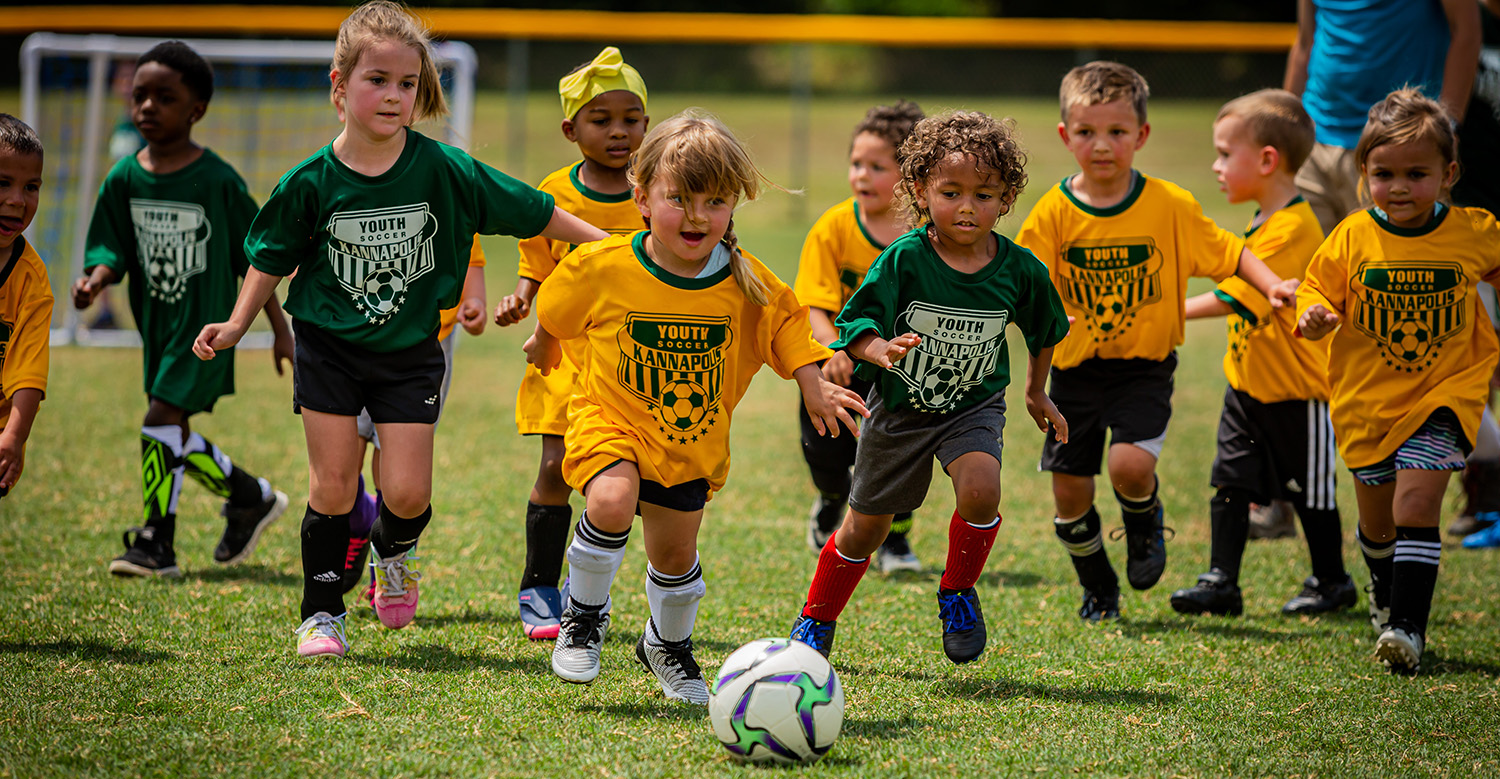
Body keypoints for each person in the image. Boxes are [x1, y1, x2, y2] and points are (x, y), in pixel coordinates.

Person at [191, 0, 607, 659]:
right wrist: (238, 322)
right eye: (376, 80)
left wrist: (613, 247)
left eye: (407, 83)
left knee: (408, 495)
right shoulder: (310, 181)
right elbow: (270, 257)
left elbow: (538, 211)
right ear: (339, 87)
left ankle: (392, 551)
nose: (392, 95)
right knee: (333, 485)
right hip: (327, 346)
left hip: (411, 350)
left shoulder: (444, 168)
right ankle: (321, 613)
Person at [527, 111, 866, 703]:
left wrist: (811, 381)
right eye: (678, 198)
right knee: (610, 498)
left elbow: (786, 328)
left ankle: (667, 644)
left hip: (690, 442)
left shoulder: (746, 282)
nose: (695, 216)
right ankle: (583, 618)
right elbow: (556, 305)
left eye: (714, 202)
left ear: (733, 206)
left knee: (675, 552)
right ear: (641, 198)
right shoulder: (603, 264)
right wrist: (546, 341)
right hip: (609, 419)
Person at [1016, 61, 1299, 621]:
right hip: (1072, 374)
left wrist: (1274, 286)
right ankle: (1098, 587)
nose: (1102, 146)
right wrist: (1043, 322)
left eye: (1117, 132)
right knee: (1070, 498)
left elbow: (1230, 253)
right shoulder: (1051, 213)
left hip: (1144, 368)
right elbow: (1025, 285)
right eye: (1087, 132)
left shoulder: (1168, 204)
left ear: (1141, 136)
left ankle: (1143, 520)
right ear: (1065, 136)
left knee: (1128, 467)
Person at [787, 111, 1070, 665]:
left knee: (983, 487)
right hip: (899, 409)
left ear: (1008, 197)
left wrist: (1037, 391)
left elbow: (1043, 328)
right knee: (865, 529)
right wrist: (876, 351)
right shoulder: (905, 259)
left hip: (974, 405)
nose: (968, 207)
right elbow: (855, 326)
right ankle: (816, 619)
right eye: (951, 192)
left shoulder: (1019, 270)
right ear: (919, 190)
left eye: (985, 194)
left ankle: (958, 591)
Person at [1298, 88, 1500, 674]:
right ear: (1363, 174)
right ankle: (1385, 592)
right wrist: (1314, 314)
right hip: (1368, 401)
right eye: (1384, 174)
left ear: (1449, 173)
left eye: (1418, 173)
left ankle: (1409, 628)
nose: (1401, 187)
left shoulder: (1475, 230)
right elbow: (1316, 289)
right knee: (1378, 521)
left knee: (1417, 503)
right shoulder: (1353, 236)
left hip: (1446, 393)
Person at [72, 41, 292, 579]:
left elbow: (257, 258)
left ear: (196, 109)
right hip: (157, 325)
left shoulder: (216, 180)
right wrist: (96, 280)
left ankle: (156, 542)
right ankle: (249, 496)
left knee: (159, 420)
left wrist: (279, 329)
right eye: (139, 95)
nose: (147, 107)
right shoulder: (124, 177)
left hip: (204, 330)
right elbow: (111, 247)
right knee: (171, 434)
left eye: (164, 98)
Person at [1168, 90, 1353, 617]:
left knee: (1309, 491)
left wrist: (1166, 310)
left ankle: (1332, 580)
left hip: (1298, 395)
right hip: (1247, 388)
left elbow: (1234, 298)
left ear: (1267, 160)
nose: (1216, 166)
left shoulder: (1294, 226)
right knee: (1230, 479)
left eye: (1226, 154)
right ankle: (1221, 581)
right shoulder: (1263, 219)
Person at [493, 46, 650, 640]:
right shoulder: (554, 190)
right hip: (560, 353)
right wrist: (521, 297)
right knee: (557, 465)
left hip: (630, 364)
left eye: (631, 119)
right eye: (600, 120)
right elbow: (539, 262)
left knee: (623, 484)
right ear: (570, 129)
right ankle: (539, 586)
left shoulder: (652, 190)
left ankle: (592, 593)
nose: (618, 132)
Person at [793, 100, 926, 573]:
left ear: (912, 177)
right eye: (856, 163)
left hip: (905, 374)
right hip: (839, 369)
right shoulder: (834, 227)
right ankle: (831, 500)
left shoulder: (928, 237)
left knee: (902, 458)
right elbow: (814, 305)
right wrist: (833, 349)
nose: (861, 175)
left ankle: (895, 544)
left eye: (876, 166)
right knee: (826, 448)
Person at [341, 236, 486, 597]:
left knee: (394, 453)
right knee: (344, 450)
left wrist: (475, 300)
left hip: (427, 338)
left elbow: (466, 245)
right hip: (351, 335)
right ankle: (358, 518)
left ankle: (388, 554)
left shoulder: (444, 185)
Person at [1284, 0, 1480, 235]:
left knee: (1394, 267)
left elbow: (1466, 33)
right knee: (1304, 264)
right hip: (1313, 139)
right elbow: (1305, 41)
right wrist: (1285, 128)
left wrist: (1449, 123)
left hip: (1399, 149)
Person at [0, 115, 53, 501]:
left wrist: (13, 439)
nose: (17, 200)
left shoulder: (32, 281)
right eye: (3, 183)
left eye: (30, 187)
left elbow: (29, 374)